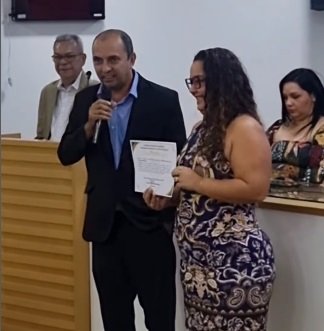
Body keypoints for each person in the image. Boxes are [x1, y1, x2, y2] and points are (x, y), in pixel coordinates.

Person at [57, 29, 186, 331]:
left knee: (159, 319)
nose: (105, 68)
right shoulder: (86, 100)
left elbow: (178, 160)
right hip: (105, 229)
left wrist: (169, 196)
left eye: (113, 60)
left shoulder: (163, 100)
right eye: (99, 61)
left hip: (149, 226)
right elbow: (65, 154)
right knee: (115, 321)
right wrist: (88, 125)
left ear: (132, 59)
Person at [144, 47, 276, 331]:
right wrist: (168, 200)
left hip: (236, 265)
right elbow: (191, 188)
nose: (194, 90)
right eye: (191, 82)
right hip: (197, 268)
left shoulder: (244, 128)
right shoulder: (200, 130)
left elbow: (256, 188)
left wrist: (198, 182)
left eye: (200, 82)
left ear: (223, 81)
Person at [267, 68, 324, 185]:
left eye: (295, 96)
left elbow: (320, 173)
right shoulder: (276, 128)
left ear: (313, 96)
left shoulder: (321, 128)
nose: (288, 103)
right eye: (285, 98)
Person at [36, 34, 97, 141]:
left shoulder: (94, 89)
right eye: (58, 57)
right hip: (47, 154)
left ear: (83, 59)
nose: (63, 62)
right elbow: (41, 134)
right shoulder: (48, 91)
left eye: (69, 56)